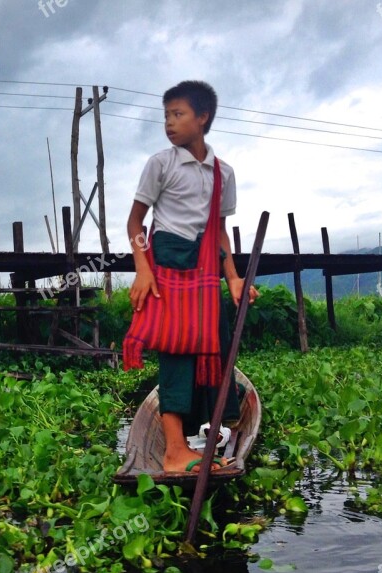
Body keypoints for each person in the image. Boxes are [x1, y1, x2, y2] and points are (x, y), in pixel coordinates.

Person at [126, 80, 259, 473]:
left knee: (210, 351)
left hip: (204, 271)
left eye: (178, 114)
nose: (169, 122)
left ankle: (196, 438)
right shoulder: (161, 164)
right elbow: (135, 221)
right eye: (166, 115)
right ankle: (173, 451)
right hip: (166, 262)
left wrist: (233, 278)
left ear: (202, 118)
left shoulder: (223, 173)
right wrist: (142, 269)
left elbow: (218, 232)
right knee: (177, 349)